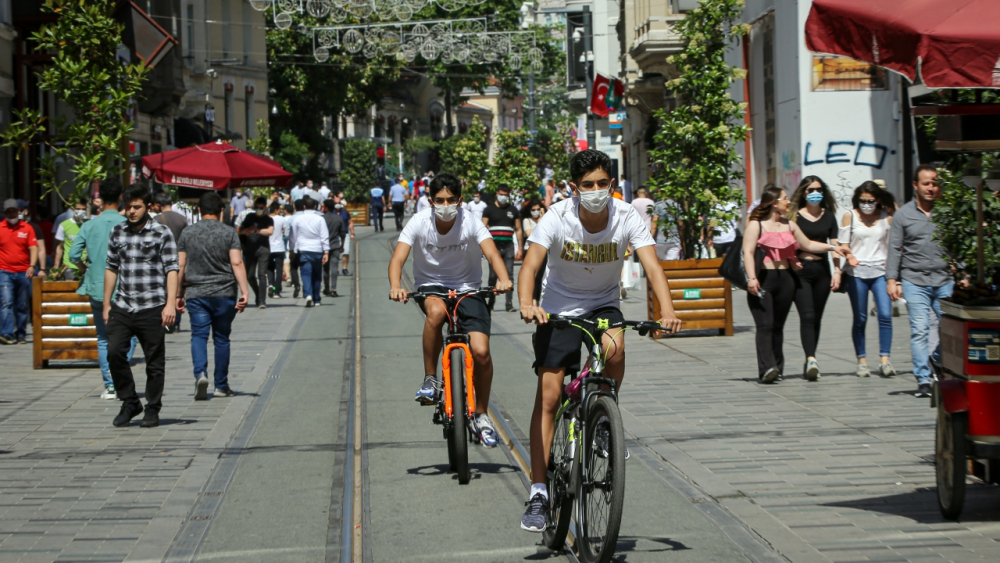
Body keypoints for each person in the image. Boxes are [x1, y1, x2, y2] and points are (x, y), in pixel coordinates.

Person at [516, 150, 683, 532]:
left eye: (602, 183)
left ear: (612, 183)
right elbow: (530, 264)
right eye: (587, 185)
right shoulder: (558, 216)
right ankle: (539, 492)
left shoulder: (626, 216)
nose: (596, 191)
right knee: (549, 396)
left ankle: (605, 418)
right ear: (574, 188)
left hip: (603, 304)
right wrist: (527, 303)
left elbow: (652, 265)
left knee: (615, 347)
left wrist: (666, 311)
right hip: (558, 308)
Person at [387, 173, 513, 447]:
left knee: (481, 351)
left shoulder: (470, 221)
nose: (445, 205)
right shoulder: (419, 222)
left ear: (460, 200)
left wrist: (503, 278)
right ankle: (431, 379)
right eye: (440, 200)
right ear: (431, 201)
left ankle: (481, 414)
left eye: (451, 200)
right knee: (435, 314)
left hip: (468, 288)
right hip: (431, 286)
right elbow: (398, 257)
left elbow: (491, 253)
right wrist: (396, 285)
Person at [743, 185, 845, 384]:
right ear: (774, 203)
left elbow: (808, 244)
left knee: (778, 326)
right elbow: (747, 252)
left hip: (786, 279)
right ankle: (767, 368)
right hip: (764, 277)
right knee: (765, 326)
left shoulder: (789, 225)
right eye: (784, 198)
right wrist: (752, 277)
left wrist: (833, 247)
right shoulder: (757, 225)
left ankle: (777, 369)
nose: (788, 201)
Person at [104, 184, 179, 428]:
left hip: (152, 305)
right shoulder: (118, 232)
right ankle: (130, 401)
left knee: (154, 361)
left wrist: (170, 304)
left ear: (148, 206)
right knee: (114, 352)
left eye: (137, 207)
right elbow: (111, 268)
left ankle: (152, 409)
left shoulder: (161, 232)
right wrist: (107, 303)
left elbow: (172, 269)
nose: (132, 211)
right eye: (128, 207)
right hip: (123, 305)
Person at [887, 165, 954, 398]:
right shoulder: (903, 215)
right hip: (914, 280)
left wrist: (962, 271)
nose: (931, 188)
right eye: (926, 183)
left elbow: (957, 243)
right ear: (915, 185)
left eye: (934, 183)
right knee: (920, 330)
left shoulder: (947, 212)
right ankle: (923, 380)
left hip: (944, 279)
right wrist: (892, 279)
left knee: (950, 330)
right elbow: (894, 249)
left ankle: (938, 361)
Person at [176, 191, 250, 400]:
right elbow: (236, 262)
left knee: (198, 335)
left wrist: (177, 294)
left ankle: (200, 373)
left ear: (199, 210)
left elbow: (180, 265)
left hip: (196, 293)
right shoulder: (229, 233)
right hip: (224, 293)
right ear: (221, 211)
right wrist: (244, 291)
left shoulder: (187, 233)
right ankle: (221, 385)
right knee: (221, 339)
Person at [69, 179, 136, 399]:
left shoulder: (89, 225)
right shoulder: (128, 223)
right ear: (120, 198)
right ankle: (120, 376)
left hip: (97, 285)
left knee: (103, 337)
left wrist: (86, 268)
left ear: (99, 200)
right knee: (131, 335)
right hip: (126, 288)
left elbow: (73, 255)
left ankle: (110, 384)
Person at [785, 176, 842, 380]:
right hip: (801, 269)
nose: (814, 193)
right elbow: (788, 242)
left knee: (816, 317)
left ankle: (811, 357)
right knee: (807, 315)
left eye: (818, 189)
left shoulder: (829, 217)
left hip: (822, 270)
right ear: (803, 193)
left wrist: (837, 271)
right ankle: (811, 358)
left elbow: (835, 245)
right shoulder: (794, 216)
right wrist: (792, 260)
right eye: (810, 190)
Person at [840, 181, 896, 378]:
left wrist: (893, 275)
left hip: (880, 272)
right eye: (862, 200)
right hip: (857, 273)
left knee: (885, 315)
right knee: (860, 317)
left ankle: (885, 360)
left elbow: (893, 246)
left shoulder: (886, 218)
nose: (866, 204)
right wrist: (849, 257)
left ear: (878, 200)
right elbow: (843, 244)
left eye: (870, 200)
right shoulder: (850, 216)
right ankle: (862, 360)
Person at [0, 198, 40, 345]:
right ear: (4, 213)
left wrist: (32, 265)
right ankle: (7, 333)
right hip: (4, 271)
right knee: (6, 302)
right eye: (8, 212)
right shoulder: (0, 228)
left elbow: (33, 248)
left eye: (13, 211)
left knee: (22, 305)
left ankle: (21, 333)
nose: (11, 215)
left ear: (19, 211)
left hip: (24, 272)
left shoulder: (27, 228)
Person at [482, 184, 523, 313]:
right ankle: (491, 303)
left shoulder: (513, 210)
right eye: (501, 194)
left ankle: (509, 304)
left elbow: (518, 229)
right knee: (493, 276)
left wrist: (520, 248)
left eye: (506, 195)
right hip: (494, 248)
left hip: (508, 247)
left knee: (509, 274)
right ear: (496, 193)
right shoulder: (489, 209)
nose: (503, 197)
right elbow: (483, 227)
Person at [153, 192, 188, 332]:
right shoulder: (182, 219)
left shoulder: (155, 219)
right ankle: (176, 320)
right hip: (180, 258)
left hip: (160, 260)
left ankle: (165, 320)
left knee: (163, 289)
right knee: (178, 287)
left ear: (158, 205)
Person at [288, 196, 329, 307]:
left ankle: (308, 294)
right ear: (315, 206)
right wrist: (326, 252)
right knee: (316, 275)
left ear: (304, 206)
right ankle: (317, 299)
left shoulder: (297, 219)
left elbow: (292, 237)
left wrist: (291, 250)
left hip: (303, 250)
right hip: (317, 250)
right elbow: (324, 236)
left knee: (306, 274)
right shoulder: (320, 219)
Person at [237, 197, 274, 309]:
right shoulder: (249, 217)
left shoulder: (268, 219)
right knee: (249, 275)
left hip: (263, 250)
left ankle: (262, 300)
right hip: (249, 250)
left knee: (262, 274)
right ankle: (258, 294)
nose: (258, 209)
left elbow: (270, 231)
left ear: (265, 207)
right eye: (256, 207)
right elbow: (239, 230)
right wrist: (247, 230)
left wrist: (257, 231)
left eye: (261, 208)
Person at [53, 198, 89, 281]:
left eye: (83, 209)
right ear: (72, 209)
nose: (81, 211)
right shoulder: (64, 225)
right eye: (78, 209)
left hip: (86, 266)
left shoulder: (88, 224)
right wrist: (56, 267)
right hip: (68, 267)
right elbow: (60, 247)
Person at [322, 199, 347, 297]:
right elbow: (343, 234)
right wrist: (342, 245)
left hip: (324, 247)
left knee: (325, 268)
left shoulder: (322, 218)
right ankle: (334, 289)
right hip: (335, 245)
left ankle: (326, 288)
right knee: (334, 268)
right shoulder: (338, 218)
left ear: (326, 207)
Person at [267, 203, 288, 299]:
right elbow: (285, 232)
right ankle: (277, 291)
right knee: (279, 269)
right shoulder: (281, 219)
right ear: (276, 210)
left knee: (269, 268)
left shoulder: (266, 219)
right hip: (279, 247)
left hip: (268, 247)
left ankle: (271, 284)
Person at [287, 200, 304, 297]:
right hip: (305, 247)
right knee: (304, 268)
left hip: (294, 247)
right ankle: (306, 288)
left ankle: (297, 285)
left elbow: (288, 235)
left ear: (294, 207)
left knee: (293, 267)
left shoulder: (291, 219)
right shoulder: (306, 218)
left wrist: (291, 249)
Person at [334, 198, 355, 276]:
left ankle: (344, 268)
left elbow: (350, 223)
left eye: (339, 202)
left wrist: (352, 233)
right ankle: (336, 269)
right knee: (335, 253)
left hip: (345, 234)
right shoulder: (331, 212)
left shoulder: (345, 212)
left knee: (346, 251)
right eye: (336, 202)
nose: (337, 204)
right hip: (334, 235)